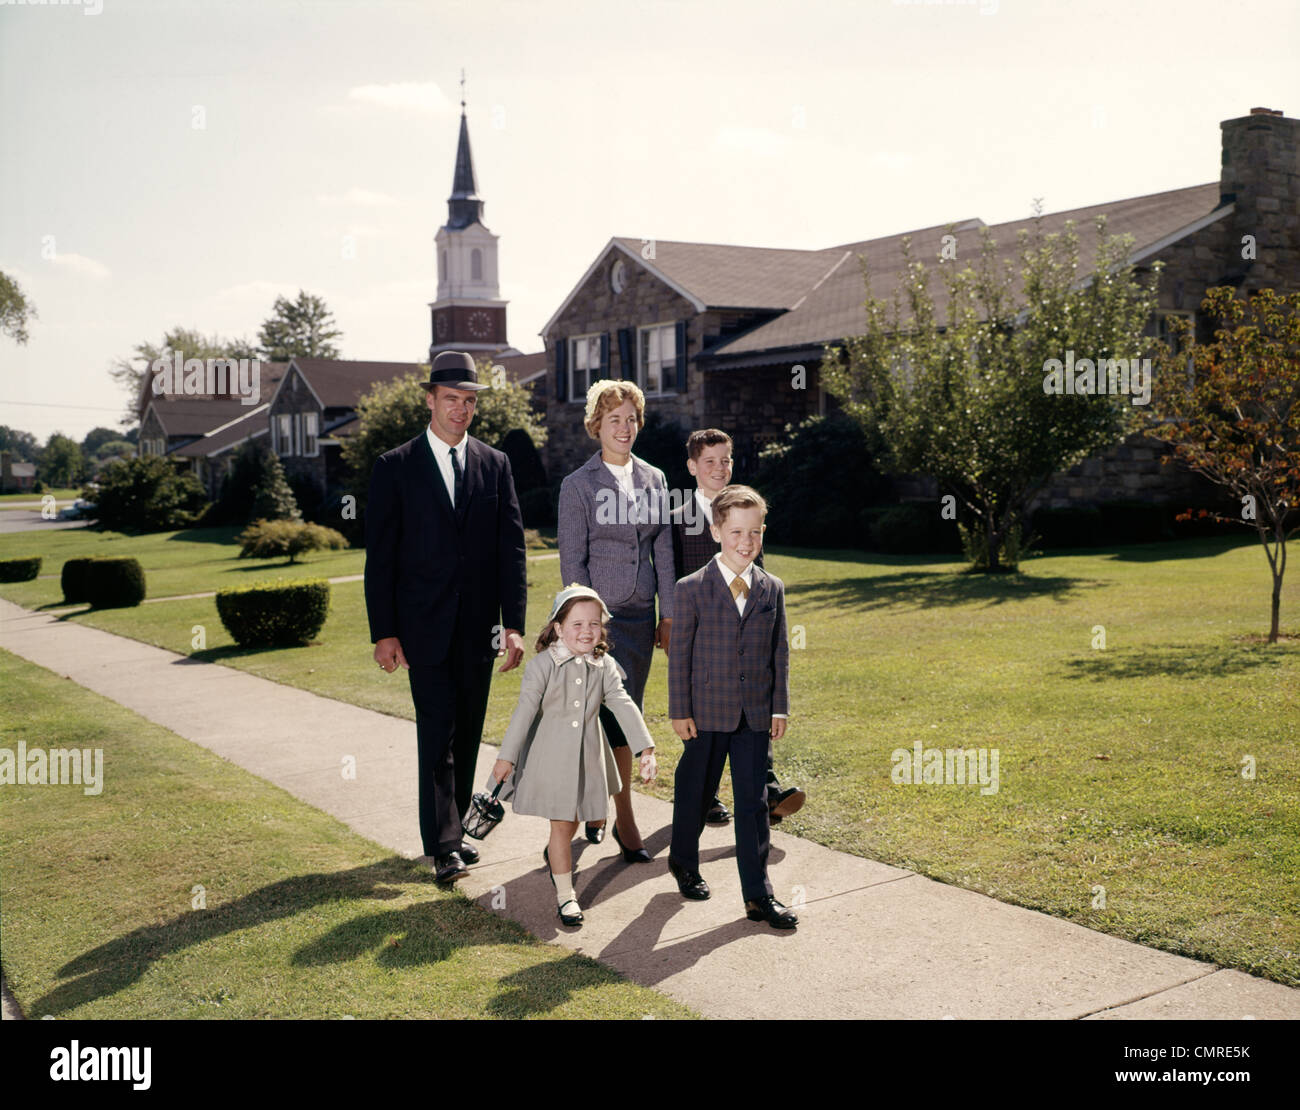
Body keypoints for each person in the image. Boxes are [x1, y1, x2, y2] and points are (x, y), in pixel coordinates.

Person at [364, 350, 527, 886]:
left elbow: (511, 551)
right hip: (422, 628)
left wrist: (515, 623)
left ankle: (452, 834)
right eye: (452, 399)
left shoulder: (495, 464)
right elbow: (381, 557)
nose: (461, 409)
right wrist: (384, 631)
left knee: (468, 732)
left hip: (479, 627)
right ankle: (443, 846)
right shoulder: (394, 467)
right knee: (438, 733)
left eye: (470, 401)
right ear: (430, 400)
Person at [667, 484, 797, 929]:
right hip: (704, 712)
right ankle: (683, 860)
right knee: (696, 793)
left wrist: (778, 707)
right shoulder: (691, 589)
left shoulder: (771, 588)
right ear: (716, 529)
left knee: (754, 803)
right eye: (737, 531)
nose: (746, 542)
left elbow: (779, 652)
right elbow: (680, 655)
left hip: (755, 715)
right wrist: (679, 710)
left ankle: (758, 896)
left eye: (755, 532)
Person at [492, 585, 657, 926]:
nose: (586, 631)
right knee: (562, 825)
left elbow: (623, 704)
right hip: (551, 759)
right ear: (558, 627)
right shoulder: (542, 666)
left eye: (594, 624)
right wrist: (506, 757)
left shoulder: (604, 664)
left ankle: (563, 851)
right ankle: (566, 896)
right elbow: (523, 714)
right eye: (577, 624)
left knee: (581, 816)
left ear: (602, 627)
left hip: (589, 757)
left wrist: (645, 748)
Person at [557, 379, 674, 862]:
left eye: (631, 419)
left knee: (626, 716)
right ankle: (600, 815)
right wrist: (585, 626)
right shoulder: (578, 485)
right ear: (596, 426)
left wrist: (668, 612)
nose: (624, 428)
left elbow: (663, 550)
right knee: (593, 721)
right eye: (614, 420)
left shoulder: (655, 479)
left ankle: (617, 814)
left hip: (640, 617)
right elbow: (572, 563)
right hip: (597, 624)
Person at [670, 429, 806, 827]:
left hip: (747, 630)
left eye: (726, 460)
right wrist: (670, 621)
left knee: (751, 708)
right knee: (704, 721)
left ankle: (767, 790)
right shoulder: (677, 518)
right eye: (709, 461)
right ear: (693, 467)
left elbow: (759, 570)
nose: (719, 468)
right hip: (701, 635)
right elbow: (669, 572)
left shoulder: (749, 511)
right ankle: (707, 794)